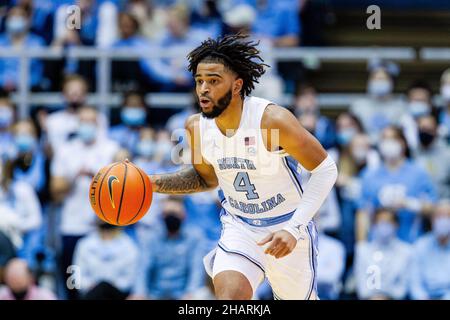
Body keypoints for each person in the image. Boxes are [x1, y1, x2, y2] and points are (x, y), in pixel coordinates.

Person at [145, 34, 338, 300]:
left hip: (288, 227)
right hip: (240, 227)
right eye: (199, 81)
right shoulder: (196, 127)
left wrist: (294, 228)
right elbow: (207, 179)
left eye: (213, 81)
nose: (203, 89)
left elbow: (326, 169)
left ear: (236, 86)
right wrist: (152, 183)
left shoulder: (271, 120)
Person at [50, 106, 119, 299]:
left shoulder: (111, 148)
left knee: (104, 283)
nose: (86, 126)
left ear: (98, 124)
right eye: (83, 121)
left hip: (103, 226)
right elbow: (55, 191)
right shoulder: (66, 150)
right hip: (72, 226)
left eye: (91, 121)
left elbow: (124, 186)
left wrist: (97, 177)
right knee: (73, 283)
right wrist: (73, 177)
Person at [356, 126, 437, 243]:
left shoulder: (418, 173)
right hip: (378, 245)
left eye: (393, 138)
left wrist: (411, 204)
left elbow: (432, 207)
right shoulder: (369, 176)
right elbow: (363, 213)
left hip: (411, 242)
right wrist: (361, 245)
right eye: (384, 139)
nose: (388, 143)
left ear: (403, 143)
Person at [132, 196, 206, 300]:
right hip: (154, 295)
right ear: (162, 216)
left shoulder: (195, 237)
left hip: (183, 295)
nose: (171, 217)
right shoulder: (151, 237)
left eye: (175, 214)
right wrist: (140, 293)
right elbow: (143, 269)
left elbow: (196, 270)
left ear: (183, 215)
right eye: (167, 214)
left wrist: (190, 293)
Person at [354, 208, 412, 300]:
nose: (384, 226)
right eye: (380, 222)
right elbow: (362, 288)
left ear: (396, 225)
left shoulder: (407, 251)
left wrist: (386, 296)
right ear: (373, 225)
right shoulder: (362, 250)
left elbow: (402, 289)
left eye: (388, 222)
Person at [73, 221, 139, 300]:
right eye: (104, 228)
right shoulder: (85, 244)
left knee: (104, 287)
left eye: (110, 228)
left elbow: (130, 276)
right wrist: (89, 285)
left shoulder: (128, 245)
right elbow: (77, 274)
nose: (107, 232)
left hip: (117, 293)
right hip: (91, 292)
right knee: (100, 289)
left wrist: (114, 285)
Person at [350, 59, 406, 143]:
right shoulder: (358, 105)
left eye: (383, 79)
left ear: (391, 82)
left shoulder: (400, 106)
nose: (379, 82)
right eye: (375, 78)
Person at [409, 200, 450, 300]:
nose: (443, 220)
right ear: (432, 220)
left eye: (447, 217)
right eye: (439, 216)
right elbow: (414, 283)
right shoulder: (420, 245)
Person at [0, 6, 45, 91]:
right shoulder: (0, 42)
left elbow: (38, 72)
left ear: (28, 20)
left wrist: (20, 83)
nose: (16, 19)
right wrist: (4, 82)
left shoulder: (37, 43)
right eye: (12, 16)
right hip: (2, 90)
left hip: (30, 89)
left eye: (20, 16)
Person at [413, 115, 450, 198]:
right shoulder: (411, 153)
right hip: (416, 204)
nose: (425, 132)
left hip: (443, 203)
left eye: (429, 130)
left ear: (436, 130)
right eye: (422, 129)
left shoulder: (447, 155)